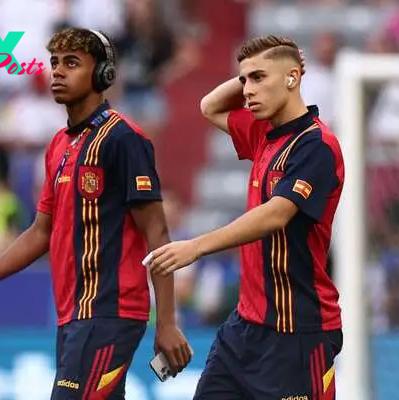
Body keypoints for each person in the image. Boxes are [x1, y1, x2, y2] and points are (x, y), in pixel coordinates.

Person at [0, 27, 192, 400]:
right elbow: (41, 232)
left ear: (102, 74)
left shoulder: (124, 140)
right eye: (55, 63)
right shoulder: (59, 144)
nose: (57, 71)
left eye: (71, 63)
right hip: (73, 315)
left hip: (110, 312)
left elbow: (157, 233)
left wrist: (167, 321)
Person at [148, 35, 345, 399]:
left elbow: (276, 214)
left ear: (292, 78)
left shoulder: (317, 146)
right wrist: (252, 73)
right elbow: (209, 106)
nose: (248, 90)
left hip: (297, 335)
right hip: (243, 330)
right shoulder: (263, 134)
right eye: (244, 80)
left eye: (258, 78)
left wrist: (197, 246)